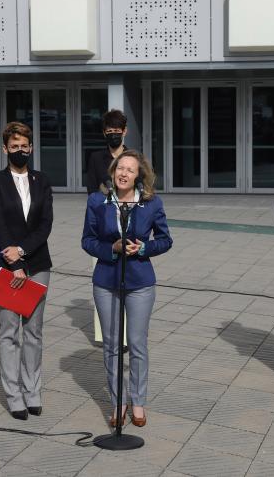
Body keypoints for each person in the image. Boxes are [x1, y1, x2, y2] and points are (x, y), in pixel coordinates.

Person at [82, 149, 172, 428]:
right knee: (111, 345)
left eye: (130, 170)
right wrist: (112, 248)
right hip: (106, 281)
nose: (123, 173)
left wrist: (144, 247)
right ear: (113, 171)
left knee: (137, 344)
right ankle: (118, 402)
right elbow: (87, 240)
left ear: (139, 176)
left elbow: (166, 240)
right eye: (120, 168)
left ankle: (139, 401)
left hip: (140, 282)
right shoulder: (98, 201)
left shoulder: (151, 203)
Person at [0, 122, 54, 420]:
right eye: (14, 146)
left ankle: (33, 391)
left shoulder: (42, 180)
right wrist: (13, 262)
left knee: (34, 332)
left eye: (24, 145)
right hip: (5, 266)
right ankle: (13, 395)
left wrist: (23, 253)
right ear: (5, 149)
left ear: (31, 147)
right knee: (9, 332)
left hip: (37, 264)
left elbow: (45, 225)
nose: (19, 150)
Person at [86, 109, 129, 345]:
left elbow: (142, 190)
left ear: (125, 131)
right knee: (102, 283)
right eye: (109, 132)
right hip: (103, 230)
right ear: (104, 133)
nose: (114, 135)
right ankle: (105, 336)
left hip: (129, 228)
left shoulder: (133, 157)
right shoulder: (95, 158)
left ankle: (124, 338)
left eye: (117, 131)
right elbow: (91, 192)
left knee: (128, 285)